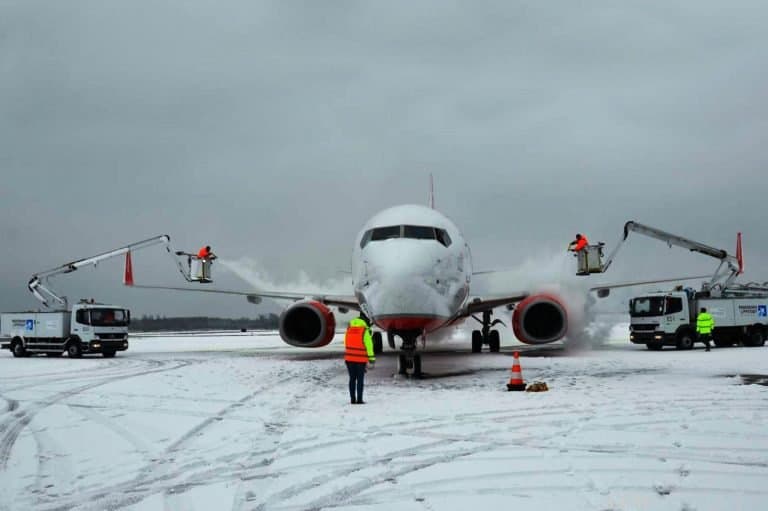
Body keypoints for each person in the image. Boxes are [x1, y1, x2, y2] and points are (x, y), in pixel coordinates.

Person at [344, 314, 375, 404]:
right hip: (360, 360)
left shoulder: (349, 330)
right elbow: (369, 346)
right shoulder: (364, 331)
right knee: (360, 380)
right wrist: (371, 358)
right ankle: (359, 400)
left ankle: (352, 399)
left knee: (352, 379)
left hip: (349, 359)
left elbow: (346, 343)